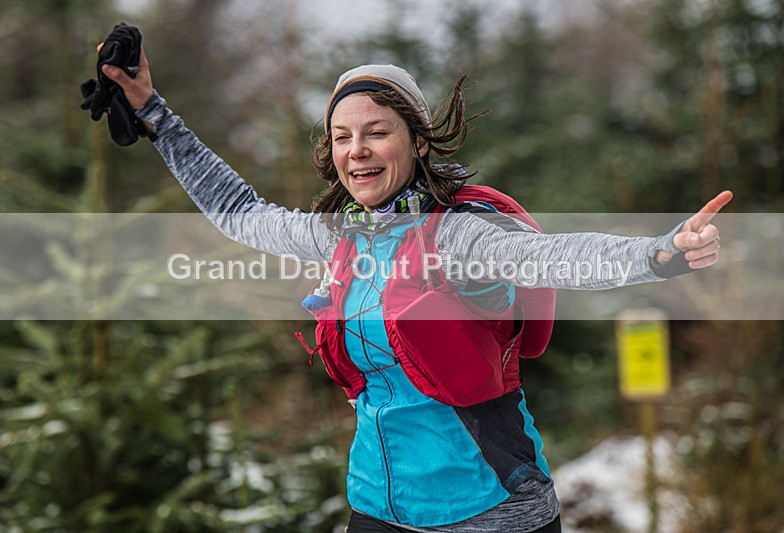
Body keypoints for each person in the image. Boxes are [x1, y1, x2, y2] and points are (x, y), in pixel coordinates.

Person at [96, 39, 731, 533]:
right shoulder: (341, 238)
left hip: (490, 507)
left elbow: (555, 259)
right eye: (343, 137)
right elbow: (239, 210)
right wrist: (153, 112)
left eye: (377, 132)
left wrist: (662, 254)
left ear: (417, 140)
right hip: (378, 505)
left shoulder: (459, 236)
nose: (358, 152)